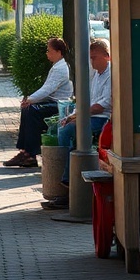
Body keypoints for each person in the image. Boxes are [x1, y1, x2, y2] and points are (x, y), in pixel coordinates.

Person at [46, 38, 112, 208]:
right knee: (63, 128)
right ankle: (67, 173)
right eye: (90, 57)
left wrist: (78, 115)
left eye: (94, 57)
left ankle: (68, 182)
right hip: (90, 116)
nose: (92, 61)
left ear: (107, 56)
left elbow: (102, 105)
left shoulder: (111, 75)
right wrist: (73, 115)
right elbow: (86, 100)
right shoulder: (96, 75)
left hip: (103, 119)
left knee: (68, 132)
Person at [3, 37, 73, 168]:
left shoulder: (60, 68)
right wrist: (30, 100)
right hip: (52, 102)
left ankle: (30, 154)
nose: (47, 53)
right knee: (28, 109)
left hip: (58, 105)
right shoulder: (57, 66)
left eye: (49, 51)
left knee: (32, 111)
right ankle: (25, 151)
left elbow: (47, 89)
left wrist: (30, 99)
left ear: (58, 52)